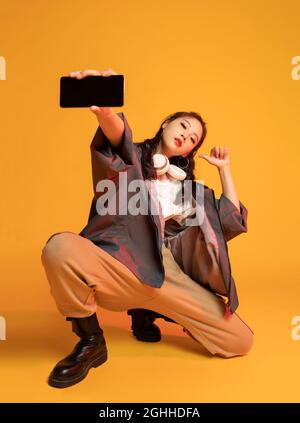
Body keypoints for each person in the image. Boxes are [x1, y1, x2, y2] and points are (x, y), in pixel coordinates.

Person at [41, 68, 254, 389]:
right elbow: (117, 140)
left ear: (188, 152)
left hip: (166, 276)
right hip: (118, 263)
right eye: (183, 125)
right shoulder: (133, 159)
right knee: (59, 248)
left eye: (193, 138)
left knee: (240, 341)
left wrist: (225, 171)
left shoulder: (189, 189)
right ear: (167, 124)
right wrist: (106, 112)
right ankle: (91, 341)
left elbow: (230, 221)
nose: (186, 135)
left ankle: (148, 311)